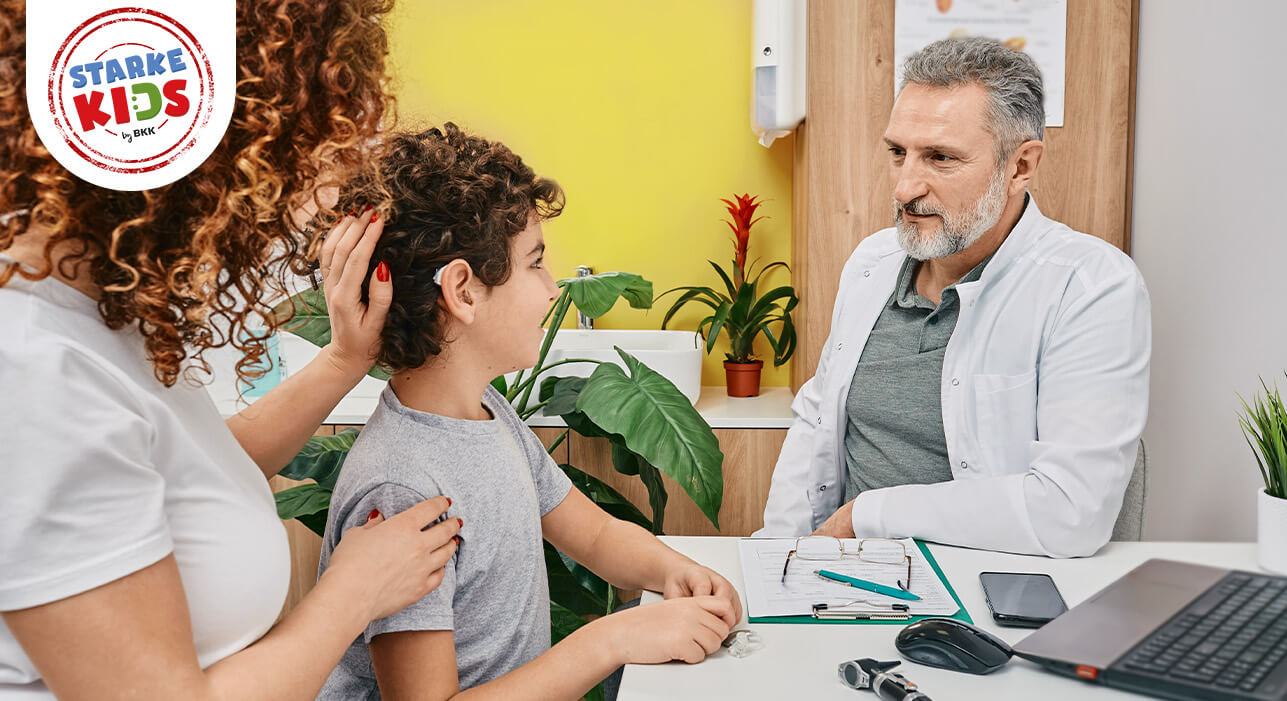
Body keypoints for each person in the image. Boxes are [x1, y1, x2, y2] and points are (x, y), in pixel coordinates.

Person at [0, 2, 461, 698]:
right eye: (297, 166)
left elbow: (186, 480)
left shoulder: (96, 303)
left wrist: (343, 360)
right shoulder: (31, 369)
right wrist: (351, 592)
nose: (305, 204)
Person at [316, 123, 742, 701]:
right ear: (463, 292)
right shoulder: (403, 489)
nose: (551, 289)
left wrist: (671, 570)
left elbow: (591, 533)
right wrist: (610, 640)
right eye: (535, 263)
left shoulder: (486, 412)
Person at [757, 37, 1151, 558]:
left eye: (941, 158)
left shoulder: (1091, 286)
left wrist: (868, 516)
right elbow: (817, 416)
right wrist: (779, 552)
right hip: (844, 578)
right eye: (898, 153)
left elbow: (1068, 510)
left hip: (984, 591)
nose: (904, 189)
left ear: (1021, 166)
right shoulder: (873, 261)